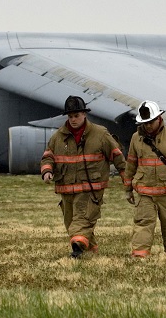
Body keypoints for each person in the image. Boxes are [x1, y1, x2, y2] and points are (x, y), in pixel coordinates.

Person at [40, 95, 126, 258]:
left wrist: (126, 179)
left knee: (81, 221)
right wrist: (47, 170)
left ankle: (77, 251)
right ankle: (90, 251)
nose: (73, 119)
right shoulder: (58, 137)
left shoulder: (100, 134)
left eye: (76, 116)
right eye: (70, 116)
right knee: (71, 223)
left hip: (91, 190)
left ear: (84, 115)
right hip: (66, 189)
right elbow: (47, 156)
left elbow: (117, 156)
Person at [123, 100, 166, 258]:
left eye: (151, 122)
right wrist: (127, 189)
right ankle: (139, 255)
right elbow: (131, 164)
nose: (148, 126)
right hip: (145, 192)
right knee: (143, 223)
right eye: (145, 123)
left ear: (159, 119)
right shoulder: (136, 138)